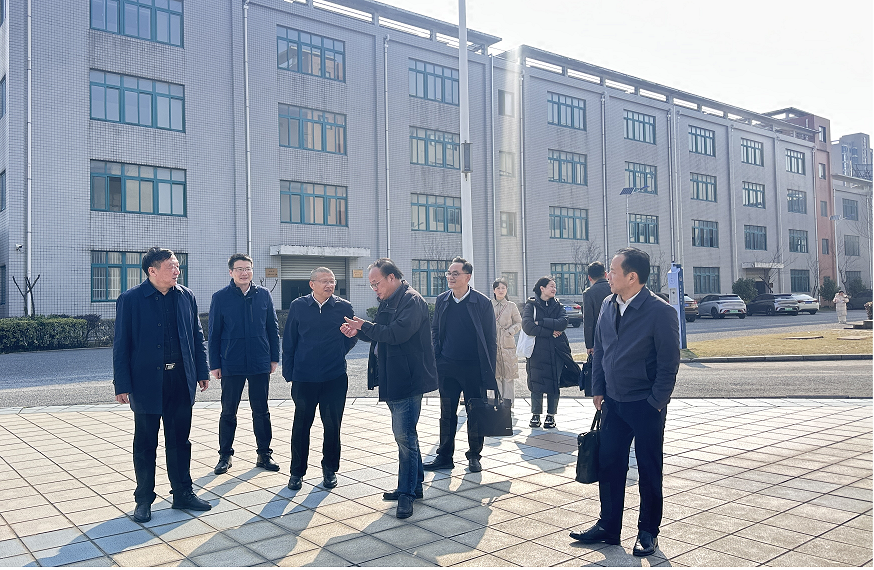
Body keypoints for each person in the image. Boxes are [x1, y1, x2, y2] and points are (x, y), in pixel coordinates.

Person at [570, 247, 680, 557]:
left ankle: (648, 531)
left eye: (614, 271)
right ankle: (608, 526)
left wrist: (656, 401)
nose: (608, 276)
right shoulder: (608, 303)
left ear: (632, 277)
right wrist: (598, 389)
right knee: (609, 465)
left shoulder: (660, 312)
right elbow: (600, 349)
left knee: (648, 468)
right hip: (613, 403)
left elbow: (669, 363)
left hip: (645, 404)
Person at [113, 247, 212, 524]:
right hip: (146, 382)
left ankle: (183, 493)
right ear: (152, 271)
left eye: (178, 266)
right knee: (145, 443)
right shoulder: (131, 299)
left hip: (180, 379)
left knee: (180, 441)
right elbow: (121, 345)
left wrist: (201, 371)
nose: (177, 271)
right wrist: (122, 383)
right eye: (171, 266)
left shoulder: (186, 296)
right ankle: (144, 499)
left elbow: (197, 337)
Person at [341, 259, 438, 520]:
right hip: (393, 377)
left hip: (408, 378)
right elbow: (380, 332)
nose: (374, 288)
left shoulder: (411, 300)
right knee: (407, 436)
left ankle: (406, 493)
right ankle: (414, 486)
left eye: (377, 283)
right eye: (372, 285)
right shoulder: (389, 299)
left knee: (404, 436)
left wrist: (364, 326)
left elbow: (396, 334)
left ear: (392, 277)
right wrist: (357, 331)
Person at [283, 268, 357, 491]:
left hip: (334, 377)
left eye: (332, 281)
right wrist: (290, 372)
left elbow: (351, 336)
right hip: (304, 378)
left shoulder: (344, 307)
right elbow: (289, 341)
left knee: (332, 426)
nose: (329, 285)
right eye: (324, 281)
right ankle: (297, 472)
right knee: (301, 426)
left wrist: (339, 352)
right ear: (312, 284)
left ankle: (330, 469)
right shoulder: (298, 306)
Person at [424, 257, 498, 473]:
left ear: (468, 277)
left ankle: (474, 455)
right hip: (447, 368)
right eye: (449, 273)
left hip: (474, 369)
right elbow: (435, 330)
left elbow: (490, 340)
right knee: (447, 414)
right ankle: (444, 456)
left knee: (475, 413)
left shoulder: (482, 302)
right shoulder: (442, 300)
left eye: (455, 273)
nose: (450, 277)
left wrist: (489, 372)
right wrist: (438, 358)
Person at [209, 254, 280, 476]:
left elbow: (272, 328)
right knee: (228, 411)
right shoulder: (220, 297)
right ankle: (225, 455)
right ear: (231, 272)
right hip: (231, 361)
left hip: (259, 360)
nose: (244, 273)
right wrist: (215, 363)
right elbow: (214, 333)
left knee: (261, 410)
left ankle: (264, 454)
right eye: (239, 269)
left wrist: (274, 358)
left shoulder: (263, 295)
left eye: (247, 268)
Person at [521, 276, 569, 429]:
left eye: (555, 286)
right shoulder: (531, 305)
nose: (554, 289)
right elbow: (528, 326)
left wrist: (541, 322)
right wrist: (550, 332)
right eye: (551, 286)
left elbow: (563, 323)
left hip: (556, 350)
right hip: (536, 350)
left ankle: (551, 415)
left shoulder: (558, 306)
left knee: (554, 383)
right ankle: (535, 414)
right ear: (542, 288)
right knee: (536, 382)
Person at [492, 277, 522, 410]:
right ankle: (496, 402)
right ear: (494, 290)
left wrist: (511, 331)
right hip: (493, 344)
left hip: (508, 344)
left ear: (506, 290)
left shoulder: (511, 306)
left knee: (509, 375)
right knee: (496, 375)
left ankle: (508, 404)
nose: (501, 290)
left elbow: (519, 322)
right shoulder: (488, 305)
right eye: (498, 288)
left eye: (503, 288)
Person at [583, 261, 611, 356]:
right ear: (605, 274)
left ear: (589, 277)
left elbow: (588, 320)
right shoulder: (614, 288)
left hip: (598, 337)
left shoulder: (589, 293)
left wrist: (589, 345)